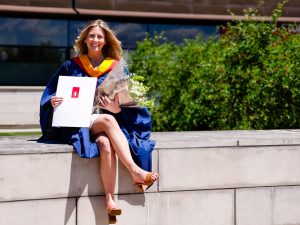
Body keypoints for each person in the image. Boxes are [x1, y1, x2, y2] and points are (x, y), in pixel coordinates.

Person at [39, 19, 159, 224]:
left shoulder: (116, 68)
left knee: (105, 143)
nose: (95, 39)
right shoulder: (71, 65)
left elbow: (131, 103)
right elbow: (51, 94)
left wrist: (117, 108)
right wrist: (53, 100)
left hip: (102, 123)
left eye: (100, 37)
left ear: (105, 41)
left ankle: (110, 200)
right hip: (77, 121)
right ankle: (136, 171)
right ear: (85, 39)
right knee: (107, 120)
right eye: (92, 35)